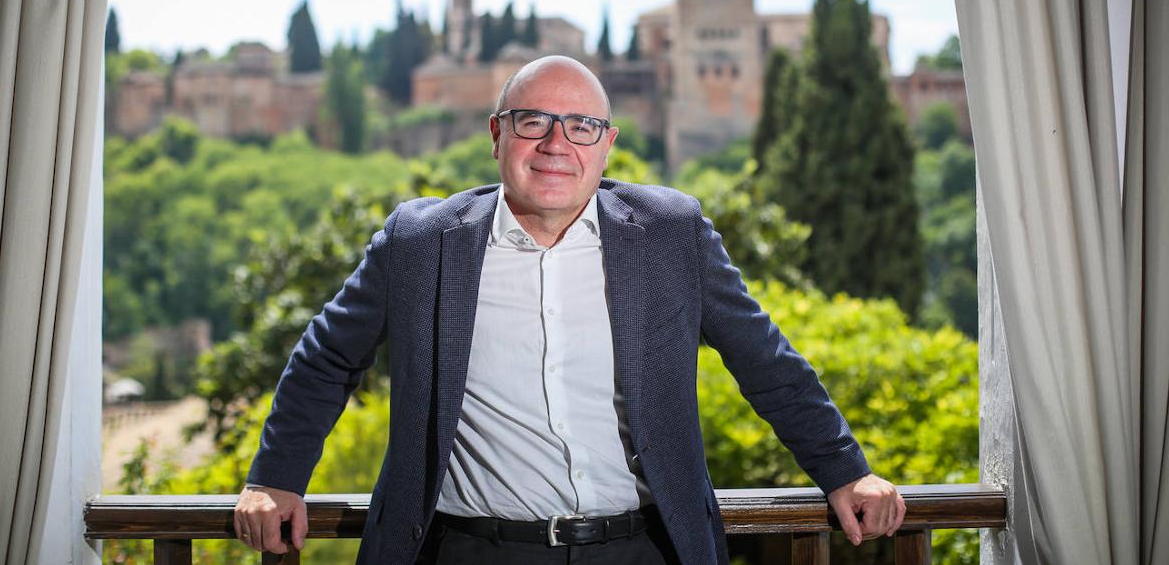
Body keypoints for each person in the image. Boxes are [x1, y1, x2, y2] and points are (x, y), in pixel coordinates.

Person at [233, 55, 905, 564]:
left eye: (581, 126)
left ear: (606, 144)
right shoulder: (420, 244)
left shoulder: (671, 235)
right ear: (498, 136)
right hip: (467, 552)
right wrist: (276, 478)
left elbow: (765, 361)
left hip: (646, 549)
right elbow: (326, 358)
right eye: (534, 123)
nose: (558, 144)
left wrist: (846, 470)